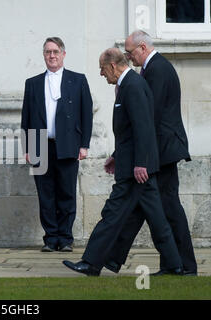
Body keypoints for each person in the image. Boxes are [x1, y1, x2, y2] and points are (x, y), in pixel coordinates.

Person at [62, 48, 183, 276]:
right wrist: (117, 156)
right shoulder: (129, 85)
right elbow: (130, 131)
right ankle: (175, 265)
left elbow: (144, 128)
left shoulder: (133, 86)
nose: (101, 74)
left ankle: (91, 262)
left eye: (102, 68)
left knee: (112, 214)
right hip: (132, 166)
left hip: (135, 171)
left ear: (114, 66)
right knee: (156, 218)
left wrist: (141, 163)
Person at [105, 30, 196, 276]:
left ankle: (184, 265)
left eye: (130, 52)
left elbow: (146, 118)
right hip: (158, 150)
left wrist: (138, 158)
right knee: (148, 207)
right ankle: (170, 264)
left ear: (143, 48)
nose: (129, 57)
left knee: (167, 209)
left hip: (162, 151)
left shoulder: (156, 69)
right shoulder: (154, 68)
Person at [21, 37, 93, 252]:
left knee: (67, 193)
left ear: (63, 53)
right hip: (40, 146)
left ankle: (65, 238)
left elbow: (86, 114)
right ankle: (51, 238)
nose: (51, 56)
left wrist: (84, 145)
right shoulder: (32, 83)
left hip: (69, 145)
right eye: (47, 52)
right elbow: (26, 117)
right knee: (45, 194)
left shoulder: (78, 80)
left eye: (55, 51)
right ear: (43, 55)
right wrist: (27, 147)